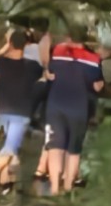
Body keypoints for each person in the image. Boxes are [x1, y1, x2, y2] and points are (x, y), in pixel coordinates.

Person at [43, 25, 105, 195]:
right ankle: (69, 187)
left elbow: (50, 72)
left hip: (55, 106)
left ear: (68, 37)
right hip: (79, 109)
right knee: (74, 150)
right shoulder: (93, 59)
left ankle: (55, 188)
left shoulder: (57, 52)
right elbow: (97, 86)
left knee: (55, 148)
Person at [0, 30, 45, 190]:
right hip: (21, 112)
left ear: (10, 44)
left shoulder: (3, 62)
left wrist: (5, 47)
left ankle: (4, 184)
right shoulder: (33, 67)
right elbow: (45, 74)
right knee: (10, 149)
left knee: (9, 146)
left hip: (4, 109)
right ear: (26, 45)